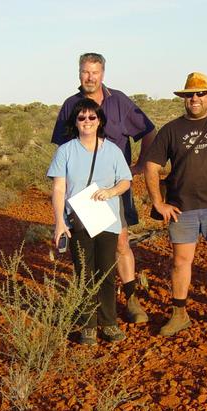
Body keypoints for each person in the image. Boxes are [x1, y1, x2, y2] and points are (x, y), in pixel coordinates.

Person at [52, 52, 155, 324]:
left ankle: (131, 299)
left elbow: (148, 131)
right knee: (86, 248)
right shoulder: (70, 105)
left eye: (95, 72)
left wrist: (141, 165)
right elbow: (62, 149)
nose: (90, 77)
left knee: (120, 242)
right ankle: (90, 308)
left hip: (114, 188)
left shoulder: (118, 101)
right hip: (81, 194)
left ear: (103, 74)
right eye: (85, 71)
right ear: (79, 73)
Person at [144, 72, 207, 336]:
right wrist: (159, 203)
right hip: (183, 208)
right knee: (181, 262)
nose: (195, 99)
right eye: (190, 94)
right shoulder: (171, 130)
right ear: (184, 98)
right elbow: (152, 166)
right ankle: (179, 313)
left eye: (201, 93)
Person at [47, 98, 132, 345]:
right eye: (81, 117)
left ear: (99, 121)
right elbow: (59, 188)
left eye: (91, 117)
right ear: (75, 122)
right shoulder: (65, 150)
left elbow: (125, 181)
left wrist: (111, 192)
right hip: (77, 221)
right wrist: (59, 222)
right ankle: (87, 324)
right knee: (84, 272)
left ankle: (108, 322)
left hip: (107, 220)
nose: (87, 122)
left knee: (105, 271)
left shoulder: (113, 150)